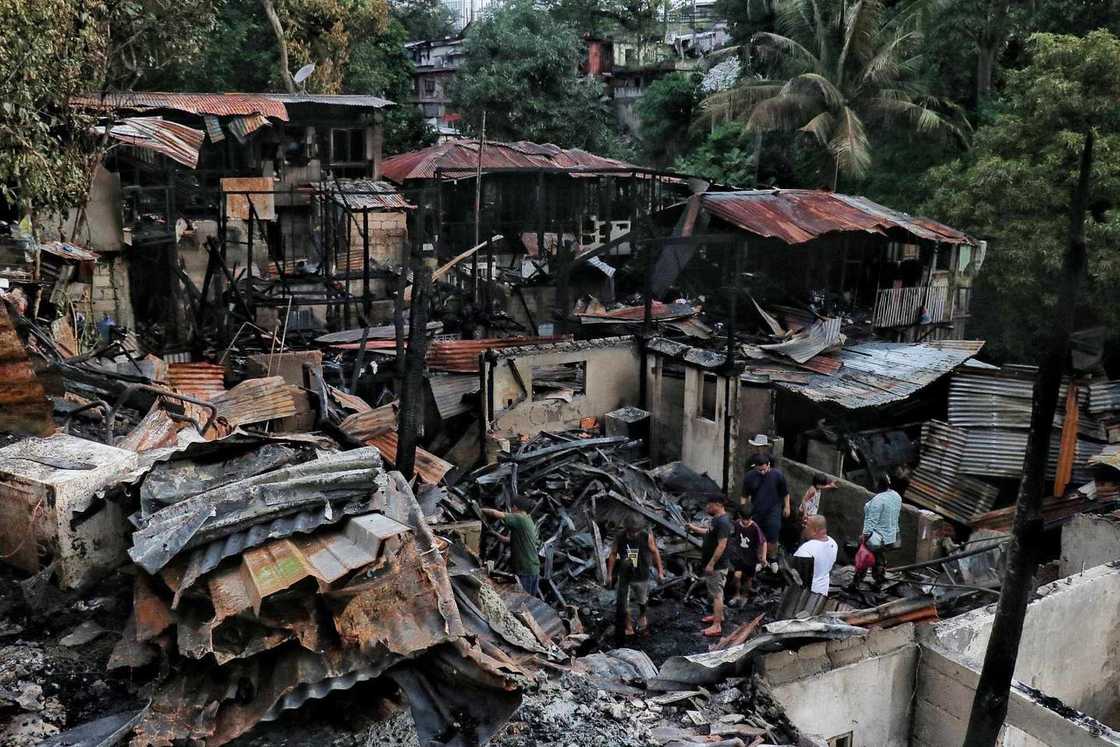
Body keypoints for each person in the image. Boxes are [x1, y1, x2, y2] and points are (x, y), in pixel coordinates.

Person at [606, 517, 665, 636]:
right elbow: (613, 554)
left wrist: (660, 571)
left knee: (642, 600)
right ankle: (628, 627)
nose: (634, 534)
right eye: (632, 531)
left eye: (636, 531)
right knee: (623, 603)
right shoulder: (620, 537)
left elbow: (655, 552)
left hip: (641, 575)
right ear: (627, 529)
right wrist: (609, 574)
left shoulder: (645, 536)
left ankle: (642, 616)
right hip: (624, 576)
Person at [687, 496, 733, 638]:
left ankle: (717, 625)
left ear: (718, 504)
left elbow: (722, 545)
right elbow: (708, 533)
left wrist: (711, 564)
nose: (707, 507)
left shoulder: (724, 522)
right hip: (712, 564)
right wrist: (693, 528)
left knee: (717, 594)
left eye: (710, 504)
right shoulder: (716, 519)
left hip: (717, 566)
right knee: (715, 593)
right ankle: (717, 616)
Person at [481, 497, 541, 596]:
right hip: (531, 568)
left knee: (524, 600)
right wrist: (495, 534)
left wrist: (480, 509)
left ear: (515, 507)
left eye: (511, 508)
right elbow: (509, 540)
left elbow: (496, 514)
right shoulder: (527, 520)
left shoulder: (520, 518)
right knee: (528, 600)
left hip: (526, 569)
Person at [851, 476, 904, 589]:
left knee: (863, 553)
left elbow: (871, 521)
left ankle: (856, 582)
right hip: (893, 536)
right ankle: (879, 579)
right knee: (878, 555)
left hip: (879, 537)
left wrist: (864, 536)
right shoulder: (896, 496)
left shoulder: (878, 500)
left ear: (879, 485)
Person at [741, 453, 790, 572]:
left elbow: (785, 493)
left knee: (773, 536)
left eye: (764, 469)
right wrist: (743, 510)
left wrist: (787, 507)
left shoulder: (777, 475)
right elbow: (744, 495)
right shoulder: (749, 477)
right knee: (758, 537)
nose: (762, 472)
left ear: (768, 465)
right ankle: (760, 560)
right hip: (756, 510)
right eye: (759, 470)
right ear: (755, 467)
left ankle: (772, 559)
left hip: (773, 510)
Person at [725, 506, 766, 607]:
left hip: (751, 557)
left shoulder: (755, 527)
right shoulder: (736, 524)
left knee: (748, 578)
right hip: (739, 555)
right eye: (744, 519)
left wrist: (763, 557)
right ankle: (736, 594)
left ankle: (744, 596)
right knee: (737, 576)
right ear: (740, 517)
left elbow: (763, 542)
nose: (746, 521)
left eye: (748, 519)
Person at [793, 514, 838, 596]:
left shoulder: (806, 549)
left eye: (807, 526)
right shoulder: (833, 543)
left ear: (815, 530)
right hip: (824, 591)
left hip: (809, 595)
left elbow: (799, 580)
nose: (804, 528)